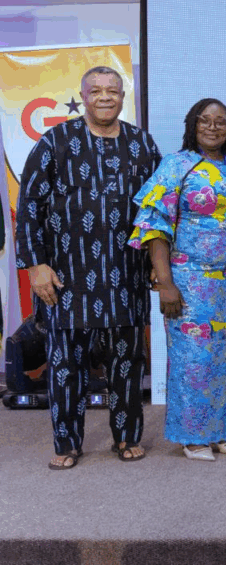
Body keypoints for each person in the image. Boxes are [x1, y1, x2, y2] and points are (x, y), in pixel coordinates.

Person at [16, 66, 161, 469]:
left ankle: (127, 438)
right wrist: (36, 266)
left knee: (127, 364)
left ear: (122, 96)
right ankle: (67, 444)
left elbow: (158, 209)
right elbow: (29, 206)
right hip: (67, 277)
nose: (104, 97)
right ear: (82, 96)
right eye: (95, 91)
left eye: (112, 90)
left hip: (126, 274)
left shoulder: (142, 144)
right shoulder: (55, 142)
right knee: (66, 366)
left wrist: (157, 262)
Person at [129, 99, 226, 461]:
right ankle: (191, 436)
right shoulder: (176, 165)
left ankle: (219, 431)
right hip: (191, 281)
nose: (212, 127)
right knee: (193, 360)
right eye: (204, 121)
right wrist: (165, 283)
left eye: (221, 122)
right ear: (192, 125)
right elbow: (155, 226)